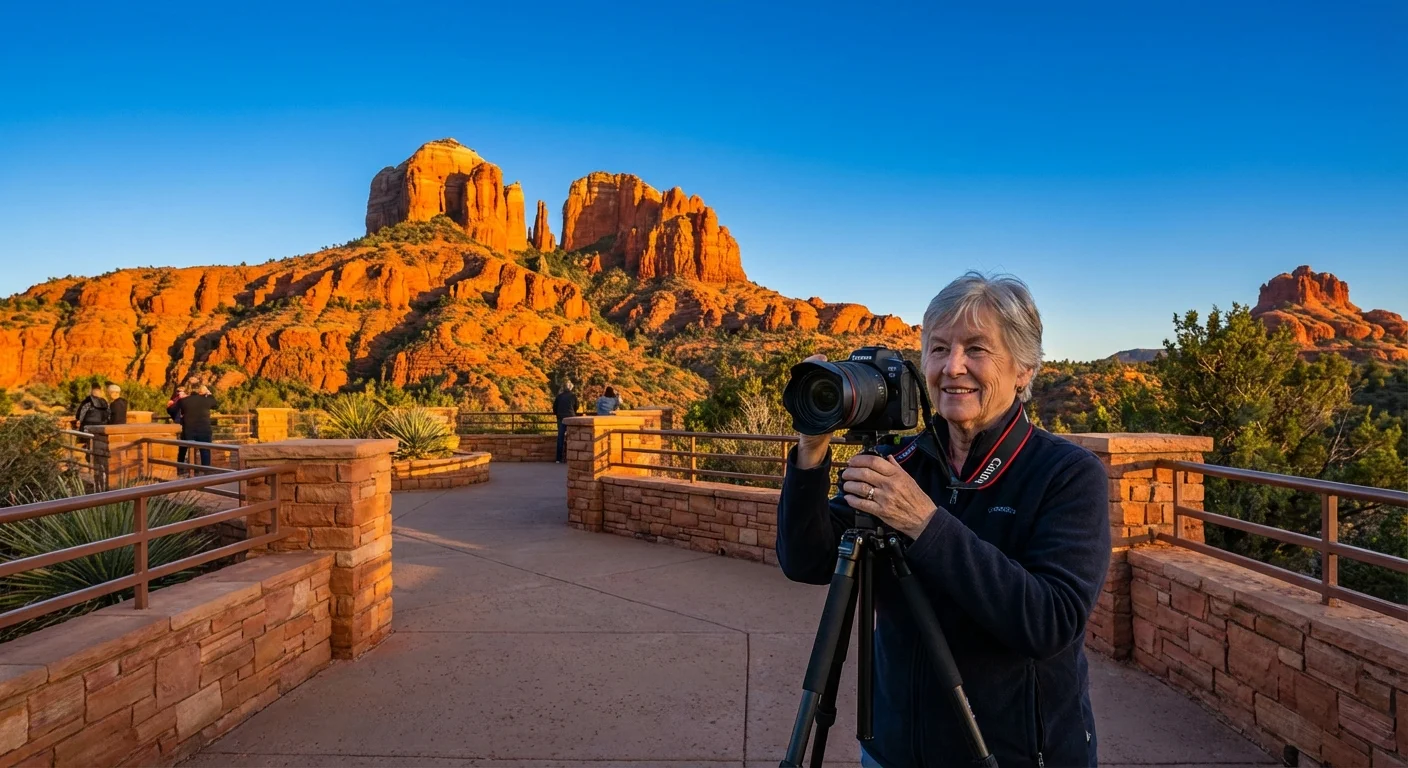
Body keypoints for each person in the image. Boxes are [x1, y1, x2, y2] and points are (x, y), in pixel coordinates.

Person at [777, 272, 1110, 767]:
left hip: (1013, 755)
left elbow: (1050, 622)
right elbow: (807, 560)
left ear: (1023, 369)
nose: (953, 368)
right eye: (938, 349)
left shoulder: (1065, 474)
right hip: (893, 750)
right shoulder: (902, 466)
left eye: (976, 349)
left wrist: (925, 523)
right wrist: (811, 448)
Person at [176, 384, 217, 471]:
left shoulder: (184, 401)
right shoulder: (206, 400)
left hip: (188, 431)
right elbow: (215, 403)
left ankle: (180, 470)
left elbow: (176, 410)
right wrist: (209, 393)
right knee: (205, 451)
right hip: (204, 431)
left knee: (183, 450)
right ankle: (205, 473)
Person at [552, 380, 578, 463]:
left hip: (561, 418)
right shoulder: (573, 396)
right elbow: (576, 406)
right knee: (572, 437)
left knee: (560, 437)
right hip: (571, 418)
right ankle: (572, 457)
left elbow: (554, 408)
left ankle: (558, 458)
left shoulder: (559, 396)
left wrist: (558, 414)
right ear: (570, 388)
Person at [166, 385, 188, 465]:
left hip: (183, 424)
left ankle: (181, 463)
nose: (179, 393)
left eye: (180, 391)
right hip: (181, 424)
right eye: (178, 391)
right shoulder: (175, 401)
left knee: (183, 444)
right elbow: (170, 410)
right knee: (183, 444)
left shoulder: (176, 401)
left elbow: (170, 410)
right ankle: (181, 463)